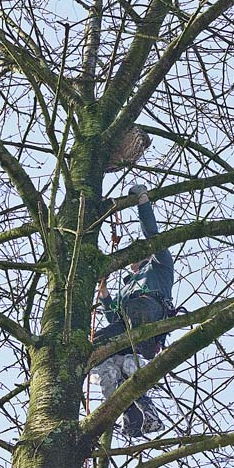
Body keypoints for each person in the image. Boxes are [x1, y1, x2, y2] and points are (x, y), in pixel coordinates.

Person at [90, 183, 175, 438]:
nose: (130, 263)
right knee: (105, 360)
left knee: (114, 331)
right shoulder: (128, 287)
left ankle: (126, 369)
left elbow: (153, 235)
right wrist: (104, 294)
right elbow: (114, 318)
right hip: (131, 331)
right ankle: (136, 412)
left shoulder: (160, 265)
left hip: (149, 313)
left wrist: (143, 200)